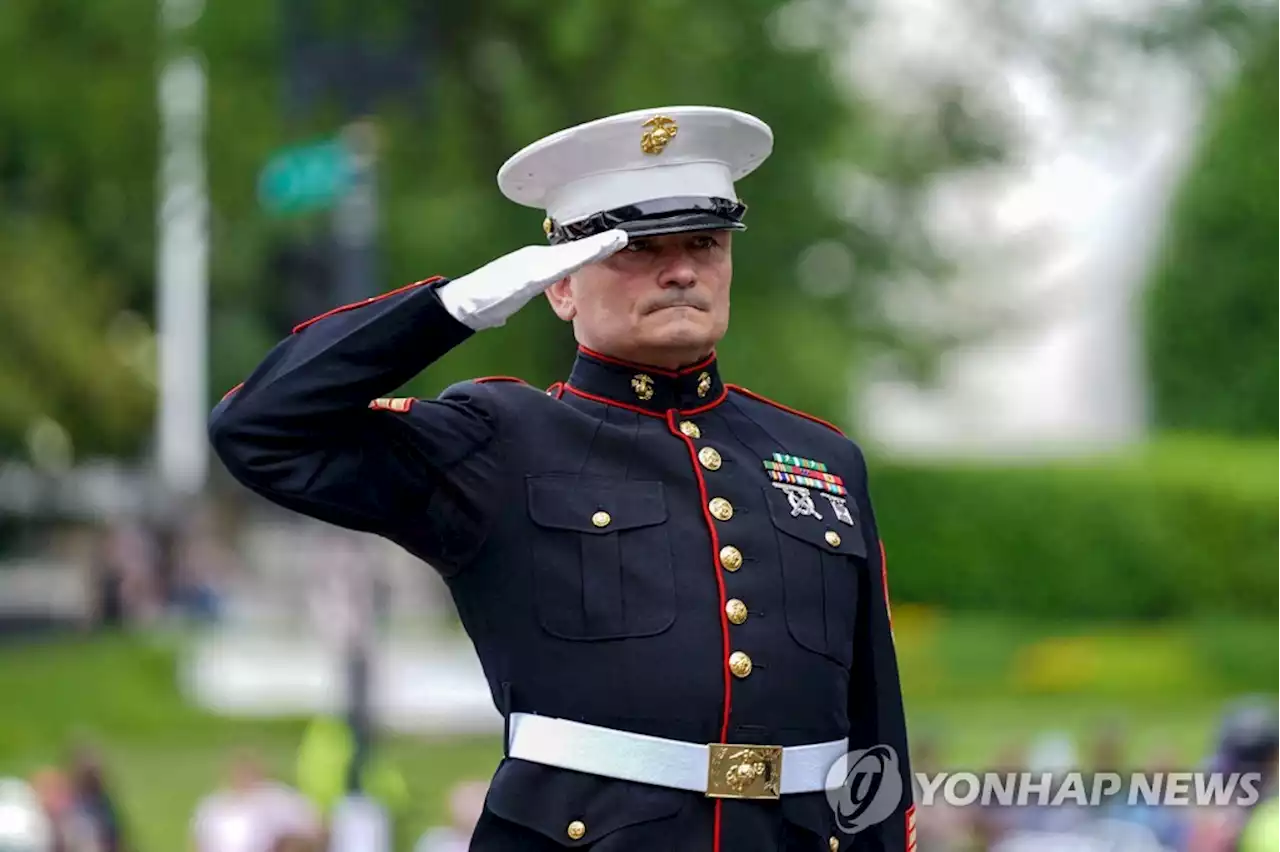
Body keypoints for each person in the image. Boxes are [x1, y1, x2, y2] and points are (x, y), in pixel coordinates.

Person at [210, 105, 913, 852]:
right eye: (636, 247)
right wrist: (451, 310)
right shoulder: (500, 441)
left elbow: (873, 728)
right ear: (560, 285)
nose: (680, 269)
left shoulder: (821, 458)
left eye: (705, 243)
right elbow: (259, 429)